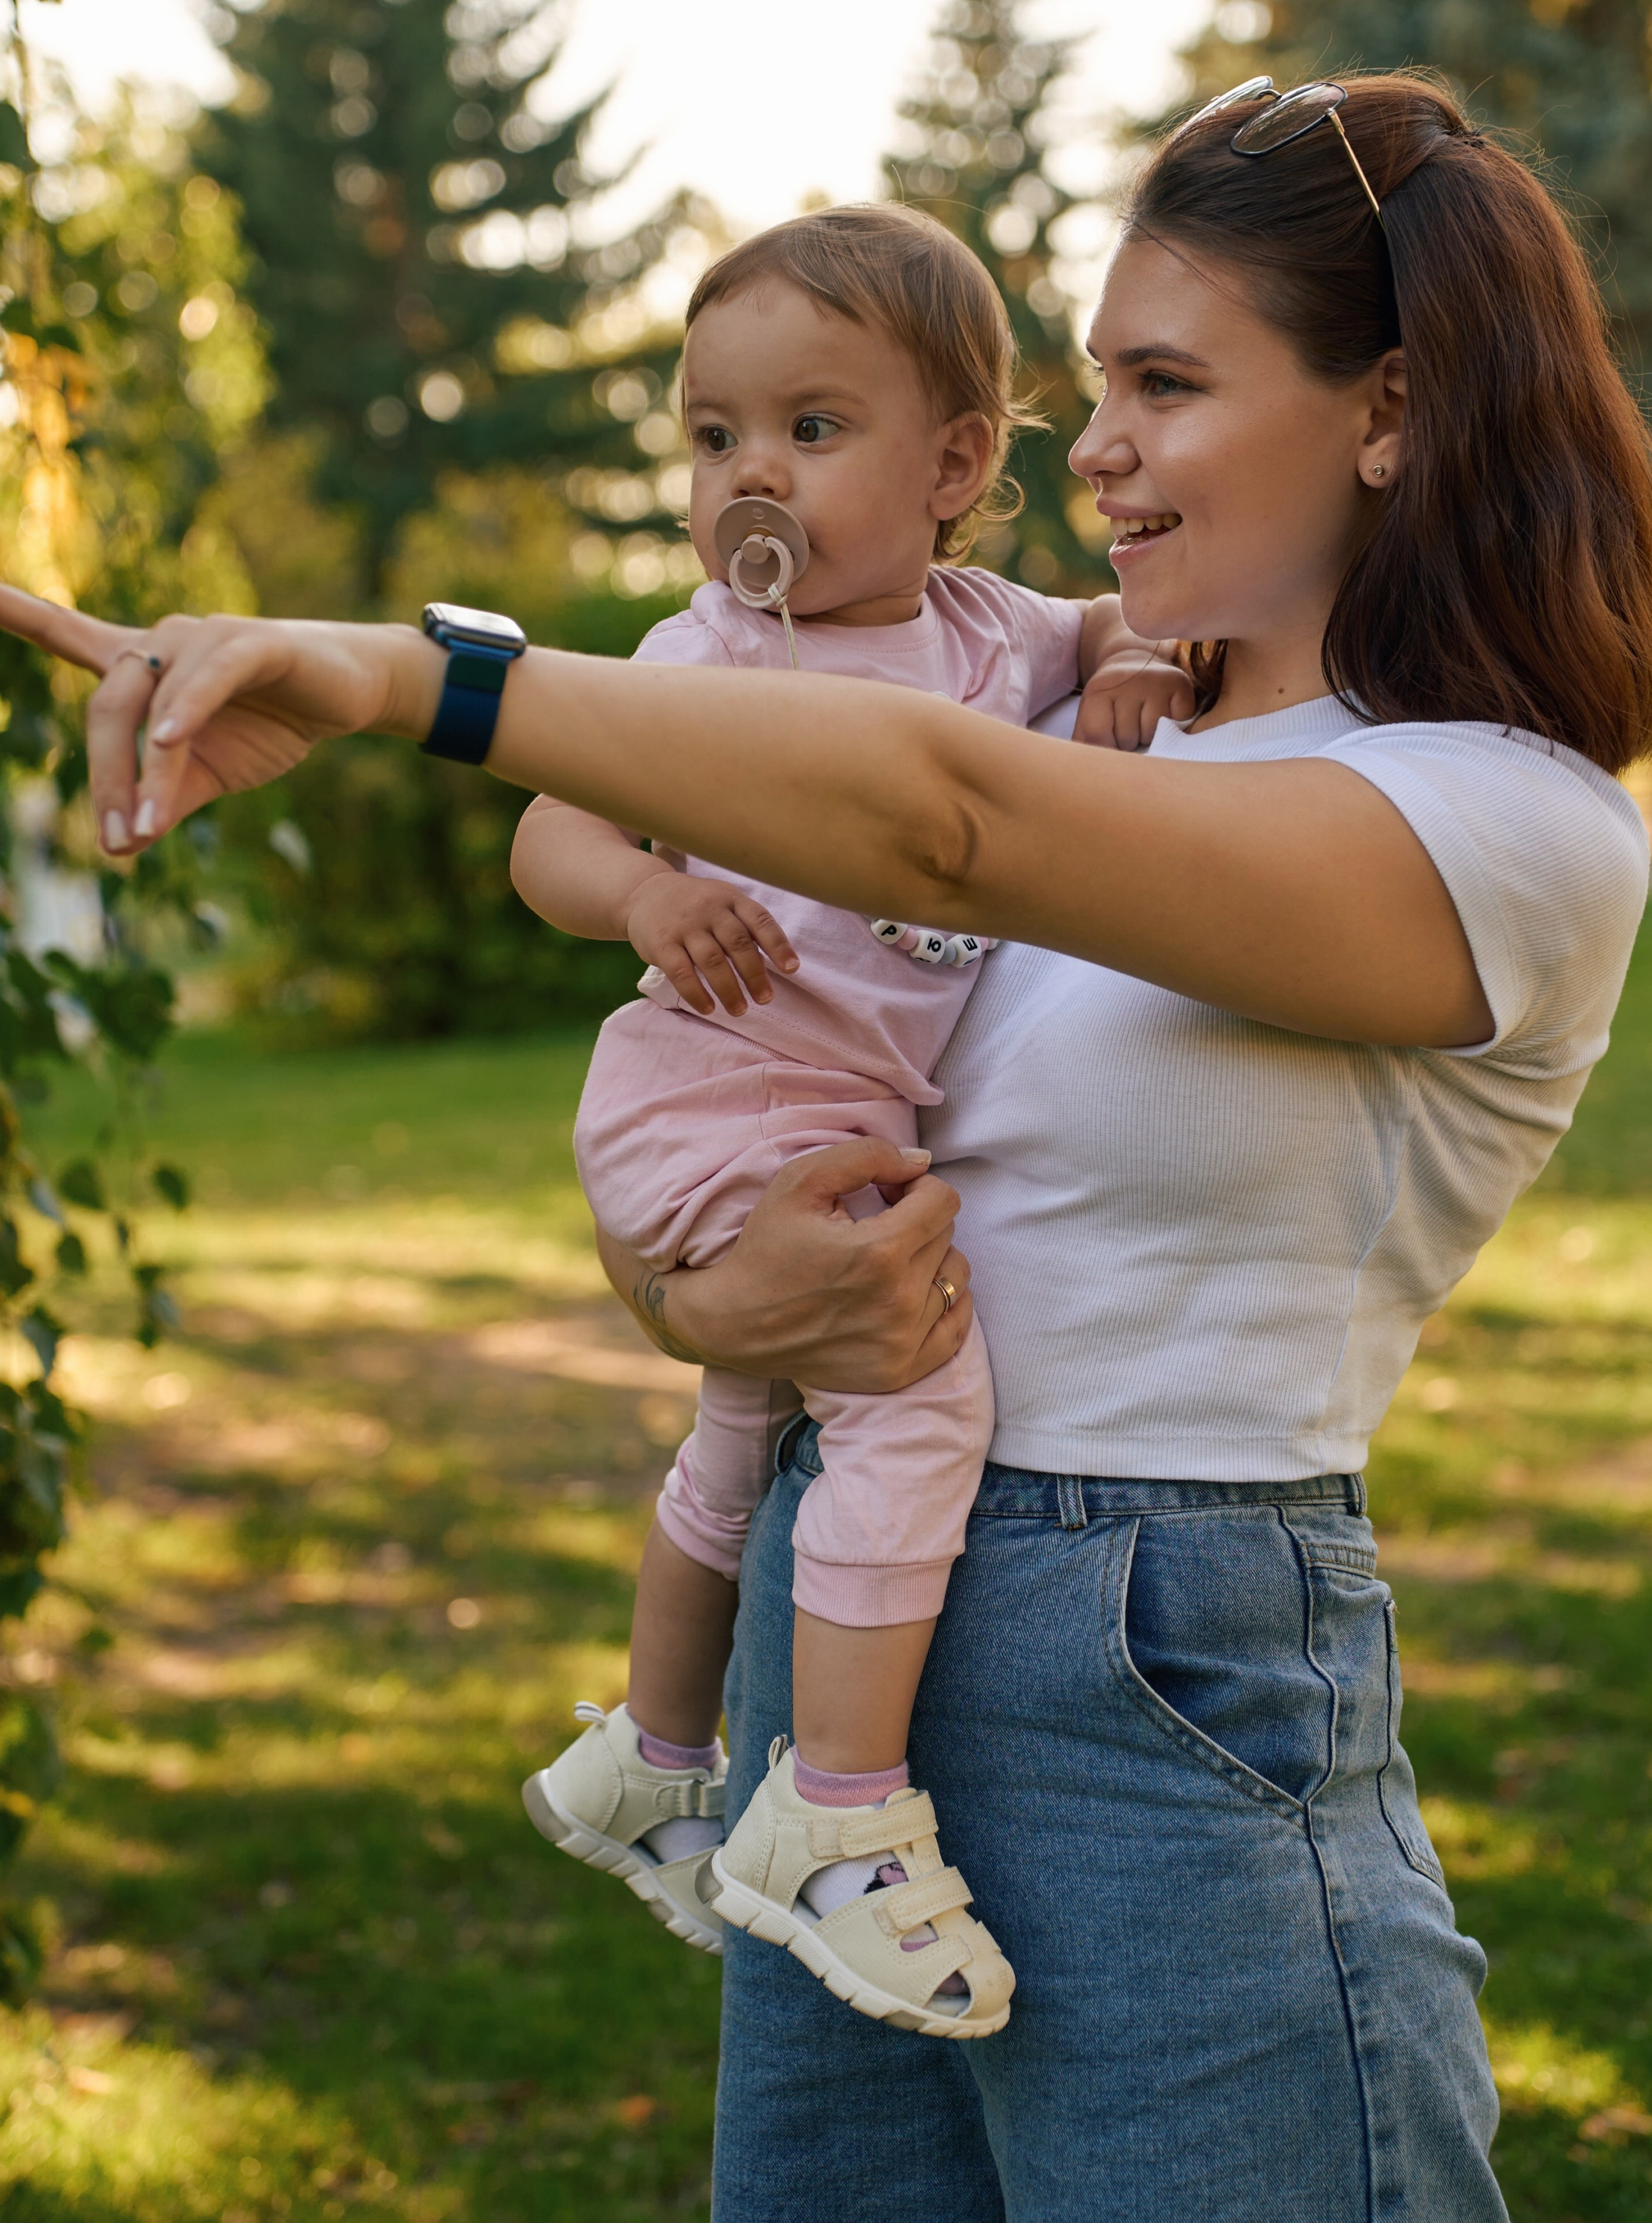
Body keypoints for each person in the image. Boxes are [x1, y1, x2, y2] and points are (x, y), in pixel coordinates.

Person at [0, 70, 1652, 2220]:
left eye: (1162, 383)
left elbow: (936, 819)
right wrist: (703, 1296)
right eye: (1094, 383)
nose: (1093, 446)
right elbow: (773, 1102)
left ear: (1389, 410)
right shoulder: (1085, 721)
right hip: (836, 1654)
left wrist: (413, 683)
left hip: (1153, 1672)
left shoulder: (1494, 819)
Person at [512, 206, 1195, 2036]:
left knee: (747, 1428)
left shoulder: (989, 636)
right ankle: (833, 1813)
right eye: (712, 433)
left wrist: (1132, 659)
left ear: (953, 465)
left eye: (809, 429)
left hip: (820, 1113)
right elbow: (547, 825)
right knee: (916, 1392)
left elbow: (1118, 617)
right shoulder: (710, 660)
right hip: (712, 1096)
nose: (748, 473)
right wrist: (646, 893)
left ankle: (653, 1755)